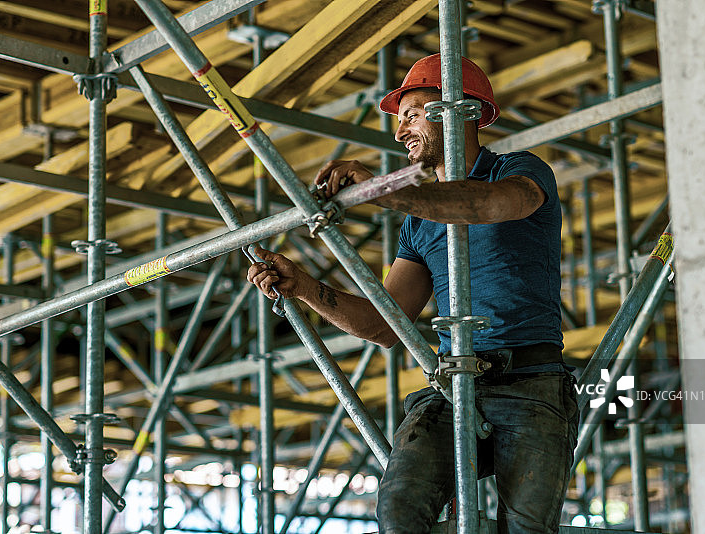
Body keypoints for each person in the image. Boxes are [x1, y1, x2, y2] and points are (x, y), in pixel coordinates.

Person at [247, 54, 579, 534]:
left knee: (525, 529)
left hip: (532, 382)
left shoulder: (519, 171)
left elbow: (486, 206)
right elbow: (385, 324)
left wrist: (385, 189)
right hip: (453, 386)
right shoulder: (417, 224)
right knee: (400, 511)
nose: (400, 132)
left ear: (458, 111)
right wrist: (304, 287)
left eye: (411, 115)